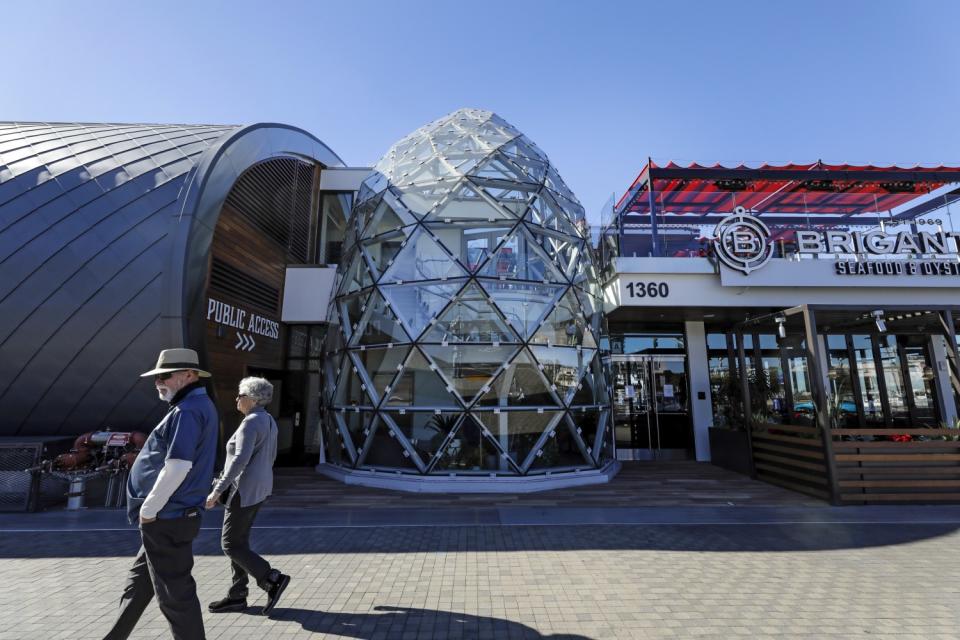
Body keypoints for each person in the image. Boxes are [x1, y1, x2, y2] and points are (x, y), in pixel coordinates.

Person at [104, 348, 218, 640]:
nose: (158, 382)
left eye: (165, 376)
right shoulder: (193, 406)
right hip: (167, 517)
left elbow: (178, 465)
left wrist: (149, 509)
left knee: (175, 596)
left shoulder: (188, 410)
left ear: (189, 375)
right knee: (138, 586)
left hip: (167, 517)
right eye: (157, 377)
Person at [205, 377, 290, 615]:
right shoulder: (268, 420)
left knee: (230, 543)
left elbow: (239, 461)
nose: (236, 399)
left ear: (252, 399)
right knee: (239, 542)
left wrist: (217, 490)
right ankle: (237, 595)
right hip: (259, 489)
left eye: (240, 395)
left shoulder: (251, 422)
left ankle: (271, 578)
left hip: (244, 490)